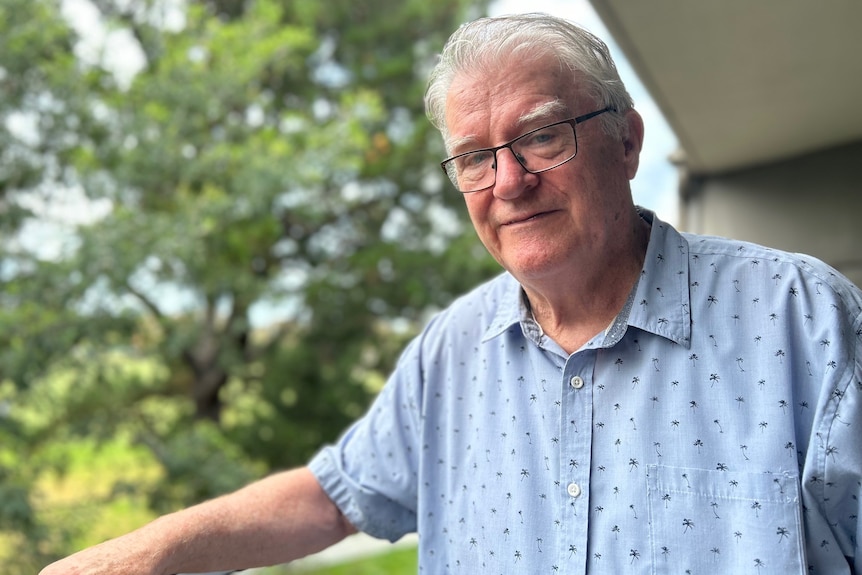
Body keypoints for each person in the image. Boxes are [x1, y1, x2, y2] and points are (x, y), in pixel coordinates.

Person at [40, 12, 862, 575]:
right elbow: (333, 496)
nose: (510, 179)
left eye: (542, 134)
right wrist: (135, 556)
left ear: (627, 140)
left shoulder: (802, 319)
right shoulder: (453, 348)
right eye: (475, 155)